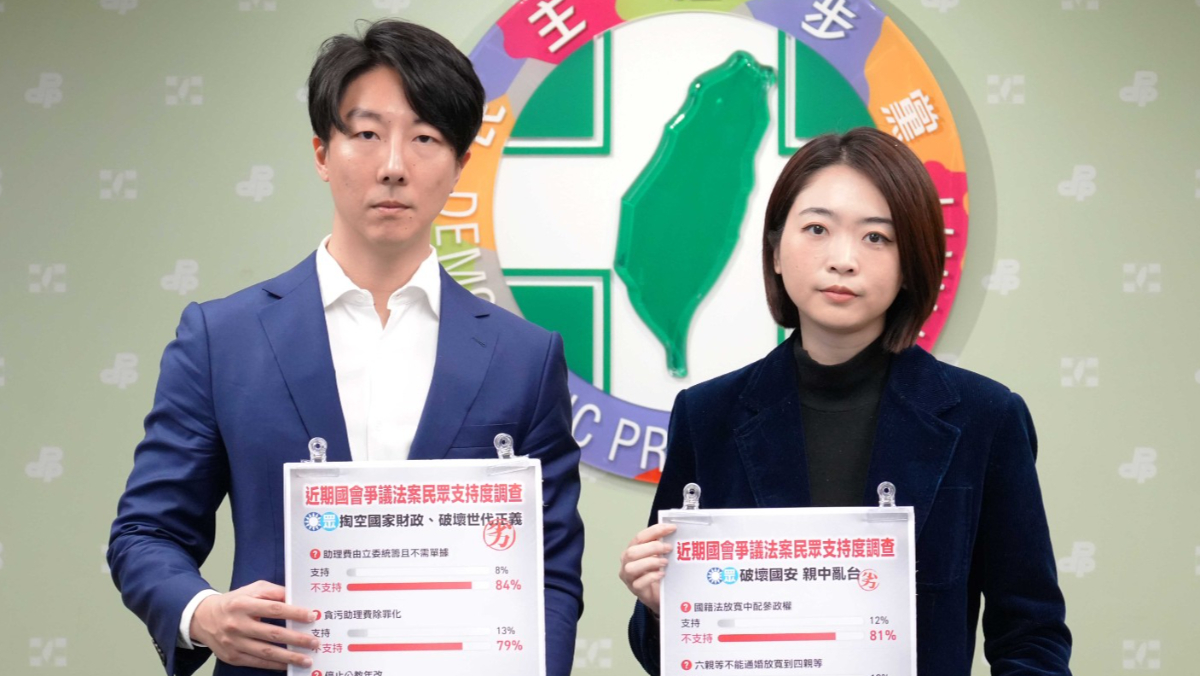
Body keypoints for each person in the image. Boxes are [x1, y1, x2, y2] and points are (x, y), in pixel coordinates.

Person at [108, 20, 584, 676]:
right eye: (366, 134)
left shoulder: (523, 359)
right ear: (321, 153)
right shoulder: (222, 339)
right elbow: (147, 532)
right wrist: (204, 613)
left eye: (425, 137)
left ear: (460, 166)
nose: (393, 166)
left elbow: (550, 573)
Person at [619, 127, 1071, 674]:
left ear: (911, 265)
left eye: (876, 237)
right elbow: (665, 655)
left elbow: (1031, 636)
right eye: (817, 229)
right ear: (775, 250)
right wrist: (663, 607)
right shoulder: (706, 415)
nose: (843, 259)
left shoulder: (986, 417)